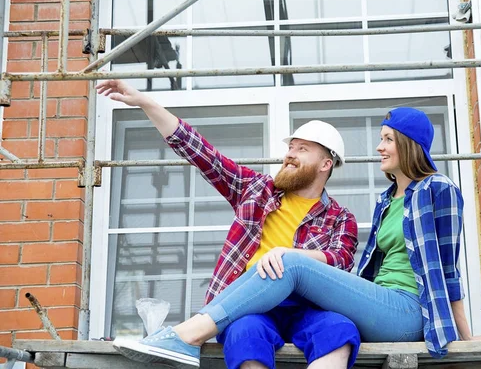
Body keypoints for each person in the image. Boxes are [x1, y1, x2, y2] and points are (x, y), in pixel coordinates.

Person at [96, 80, 361, 369]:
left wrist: (290, 257)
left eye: (302, 149)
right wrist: (147, 103)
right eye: (291, 147)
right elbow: (201, 153)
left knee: (340, 329)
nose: (290, 154)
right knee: (243, 334)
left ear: (326, 164)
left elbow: (341, 262)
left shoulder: (340, 217)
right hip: (251, 305)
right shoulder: (256, 190)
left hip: (307, 308)